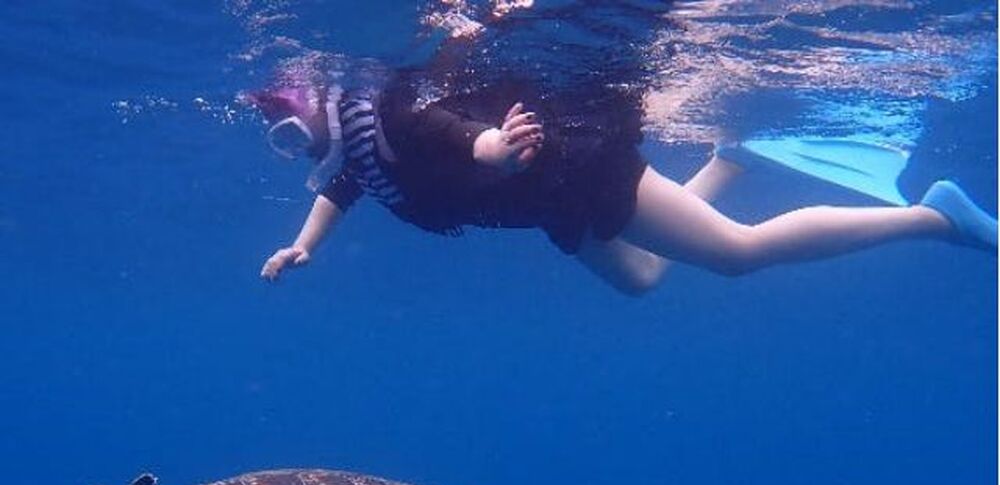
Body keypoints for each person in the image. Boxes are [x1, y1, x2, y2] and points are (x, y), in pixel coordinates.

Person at [251, 67, 997, 296]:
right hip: (548, 203)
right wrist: (304, 244)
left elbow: (450, 134)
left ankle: (935, 218)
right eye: (281, 137)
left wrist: (493, 149)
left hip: (576, 172)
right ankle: (729, 160)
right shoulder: (357, 150)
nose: (294, 143)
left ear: (321, 100)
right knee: (640, 279)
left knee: (736, 254)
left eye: (291, 125)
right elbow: (347, 186)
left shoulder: (393, 117)